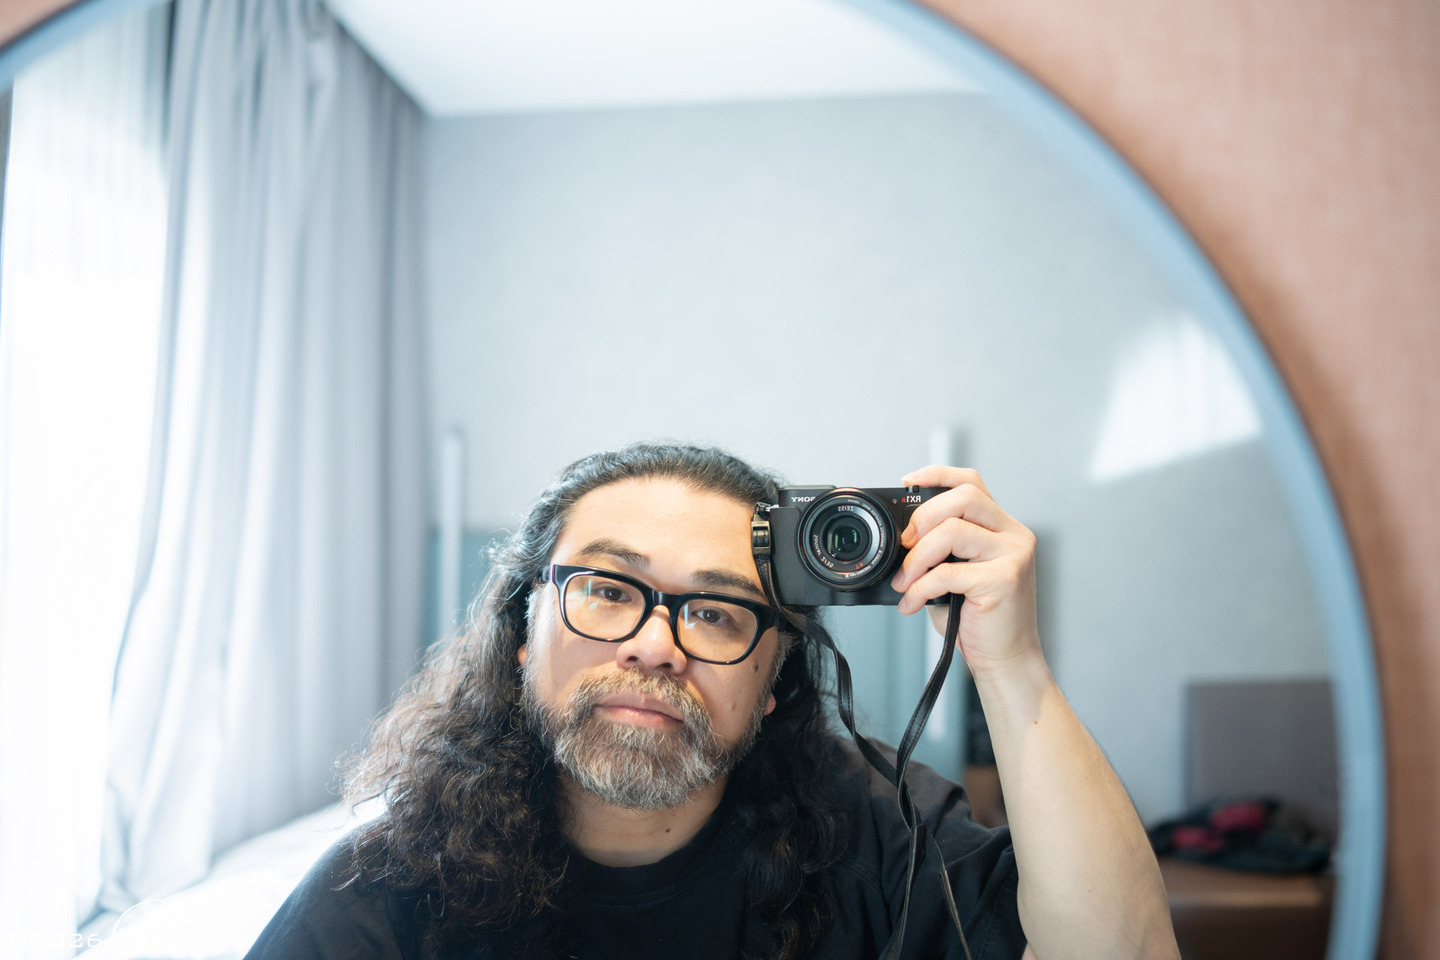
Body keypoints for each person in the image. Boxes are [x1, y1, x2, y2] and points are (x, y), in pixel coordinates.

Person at [245, 442, 1179, 960]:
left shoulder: (871, 836)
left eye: (718, 611)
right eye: (609, 590)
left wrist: (1013, 666)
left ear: (772, 683)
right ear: (524, 632)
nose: (656, 645)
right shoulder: (392, 893)